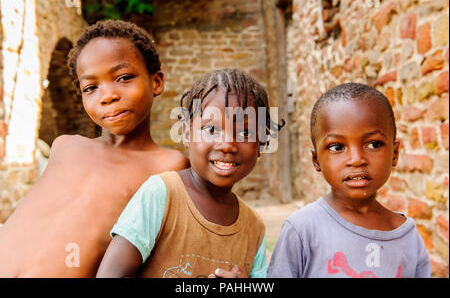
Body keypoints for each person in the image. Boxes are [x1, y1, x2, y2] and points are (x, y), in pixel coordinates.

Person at [0, 20, 189, 277]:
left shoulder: (168, 165)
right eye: (91, 87)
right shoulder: (65, 146)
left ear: (156, 82)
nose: (107, 95)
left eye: (123, 78)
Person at [96, 68, 284, 278]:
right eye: (211, 130)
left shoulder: (253, 228)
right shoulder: (162, 195)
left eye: (245, 133)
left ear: (261, 144)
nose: (228, 144)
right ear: (187, 133)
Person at [268, 83, 431, 278]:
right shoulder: (302, 230)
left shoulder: (407, 237)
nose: (356, 159)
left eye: (373, 144)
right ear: (316, 160)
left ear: (394, 153)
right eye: (337, 147)